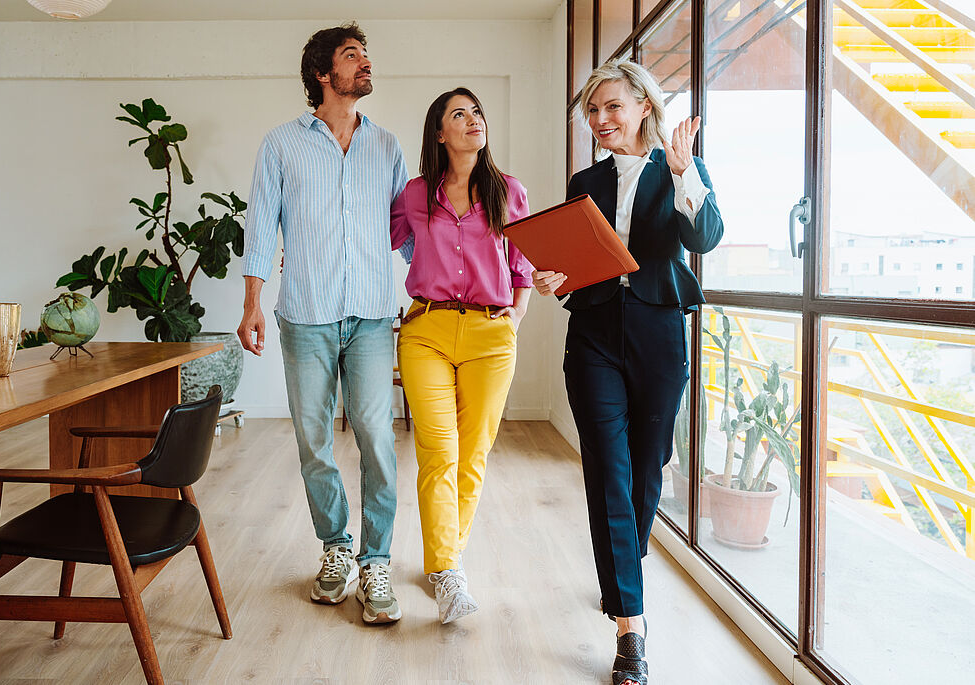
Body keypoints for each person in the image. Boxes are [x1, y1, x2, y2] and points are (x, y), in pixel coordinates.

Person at [532, 60, 723, 684]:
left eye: (611, 107)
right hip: (592, 337)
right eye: (592, 111)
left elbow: (707, 238)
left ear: (643, 104)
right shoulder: (585, 178)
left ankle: (625, 565)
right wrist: (553, 276)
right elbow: (577, 259)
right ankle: (630, 626)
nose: (600, 120)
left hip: (660, 333)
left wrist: (684, 171)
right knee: (608, 473)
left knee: (647, 469)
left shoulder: (678, 168)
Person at [238, 23, 408, 625]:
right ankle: (336, 549)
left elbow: (406, 234)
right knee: (313, 441)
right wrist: (252, 301)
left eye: (366, 54)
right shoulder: (282, 144)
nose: (365, 64)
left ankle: (377, 558)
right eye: (351, 55)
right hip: (303, 316)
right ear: (322, 73)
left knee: (376, 438)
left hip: (369, 316)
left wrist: (447, 287)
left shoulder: (387, 146)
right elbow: (261, 229)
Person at [390, 88, 532, 624]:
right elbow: (374, 235)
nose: (473, 121)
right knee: (438, 449)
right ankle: (449, 573)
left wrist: (514, 319)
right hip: (426, 330)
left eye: (477, 112)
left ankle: (442, 560)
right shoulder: (414, 194)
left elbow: (522, 265)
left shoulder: (508, 191)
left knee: (473, 455)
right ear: (440, 133)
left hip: (491, 337)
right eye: (459, 114)